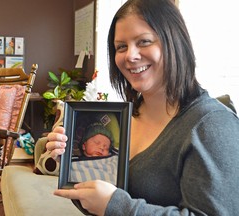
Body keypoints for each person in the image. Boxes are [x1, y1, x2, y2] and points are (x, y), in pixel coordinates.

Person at [46, 0, 239, 215]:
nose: (130, 55)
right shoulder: (126, 118)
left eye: (144, 41)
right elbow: (102, 206)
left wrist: (116, 206)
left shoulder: (213, 126)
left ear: (175, 42)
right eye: (121, 47)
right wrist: (72, 167)